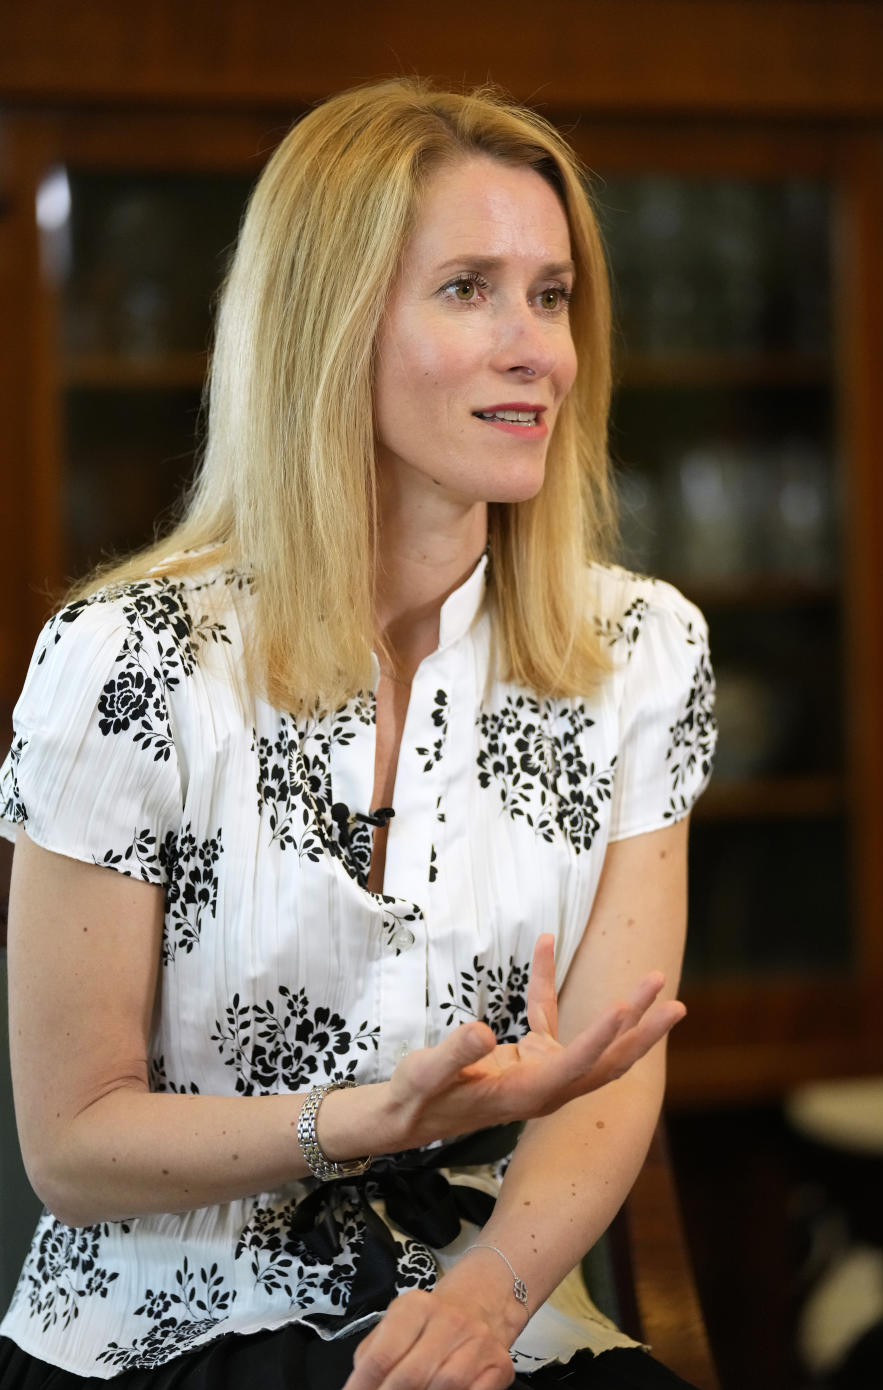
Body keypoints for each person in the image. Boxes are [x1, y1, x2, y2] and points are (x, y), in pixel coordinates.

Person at [0, 78, 716, 1389]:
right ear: (330, 327)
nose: (537, 348)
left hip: (496, 1317)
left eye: (551, 295)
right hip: (171, 1329)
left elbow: (612, 1072)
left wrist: (489, 1299)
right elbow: (70, 1140)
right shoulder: (132, 661)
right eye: (469, 289)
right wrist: (362, 1121)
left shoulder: (642, 653)